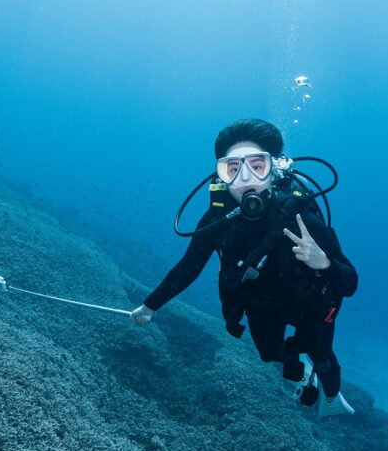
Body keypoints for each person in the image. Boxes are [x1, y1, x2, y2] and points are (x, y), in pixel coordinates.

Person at [130, 118, 358, 417]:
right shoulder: (218, 219)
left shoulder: (301, 215)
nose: (245, 178)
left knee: (323, 357)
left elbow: (350, 283)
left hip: (309, 305)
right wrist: (150, 306)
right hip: (261, 304)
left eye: (257, 166)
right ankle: (301, 369)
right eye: (233, 169)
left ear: (273, 169)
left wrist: (324, 263)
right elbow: (189, 267)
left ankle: (331, 398)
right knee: (269, 355)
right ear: (221, 175)